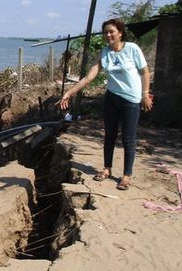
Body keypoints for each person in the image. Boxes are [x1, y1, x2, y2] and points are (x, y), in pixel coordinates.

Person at [56, 18, 152, 190]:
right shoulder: (104, 53)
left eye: (112, 32)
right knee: (109, 135)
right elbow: (88, 77)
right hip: (112, 99)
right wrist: (69, 93)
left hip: (131, 100)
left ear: (120, 32)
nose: (108, 35)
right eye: (105, 32)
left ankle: (126, 176)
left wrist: (145, 95)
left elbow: (145, 72)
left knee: (128, 138)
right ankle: (107, 169)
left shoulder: (132, 49)